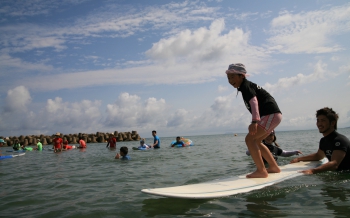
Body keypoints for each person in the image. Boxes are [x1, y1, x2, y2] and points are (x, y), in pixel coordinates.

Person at [226, 63, 282, 178]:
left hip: (270, 114)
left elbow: (254, 101)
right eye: (228, 78)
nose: (230, 80)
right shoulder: (245, 87)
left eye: (233, 77)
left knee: (249, 139)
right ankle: (273, 167)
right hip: (272, 115)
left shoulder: (246, 86)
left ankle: (261, 171)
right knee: (256, 141)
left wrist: (255, 121)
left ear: (242, 76)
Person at [291, 107, 350, 174]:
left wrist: (312, 171)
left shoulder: (340, 140)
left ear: (333, 123)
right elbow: (318, 156)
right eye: (318, 120)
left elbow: (335, 164)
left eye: (323, 120)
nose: (319, 124)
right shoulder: (323, 140)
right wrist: (299, 159)